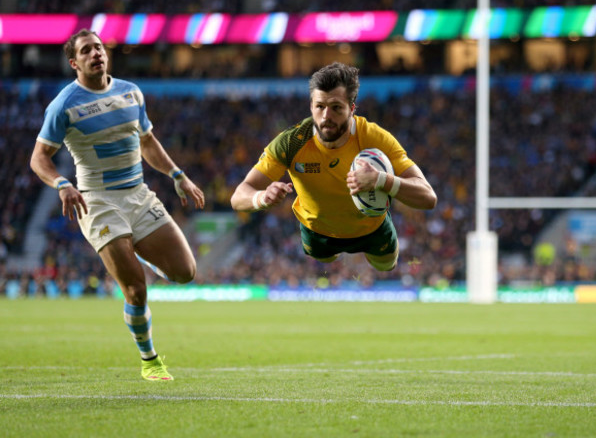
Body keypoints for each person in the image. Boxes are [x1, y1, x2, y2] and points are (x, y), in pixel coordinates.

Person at [30, 29, 205, 381]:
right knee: (136, 288)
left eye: (99, 47)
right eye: (86, 50)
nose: (96, 53)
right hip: (98, 202)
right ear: (74, 62)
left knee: (186, 273)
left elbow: (148, 141)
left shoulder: (131, 92)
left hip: (138, 195)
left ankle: (135, 247)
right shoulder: (63, 105)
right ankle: (150, 360)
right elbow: (39, 158)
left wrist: (177, 175)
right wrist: (62, 184)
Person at [231, 62, 437, 272]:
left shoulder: (374, 138)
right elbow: (239, 196)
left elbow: (428, 197)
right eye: (320, 106)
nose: (326, 116)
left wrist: (381, 180)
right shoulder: (291, 143)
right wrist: (262, 197)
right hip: (318, 233)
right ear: (311, 106)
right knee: (326, 259)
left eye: (336, 107)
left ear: (352, 108)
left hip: (372, 228)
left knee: (385, 265)